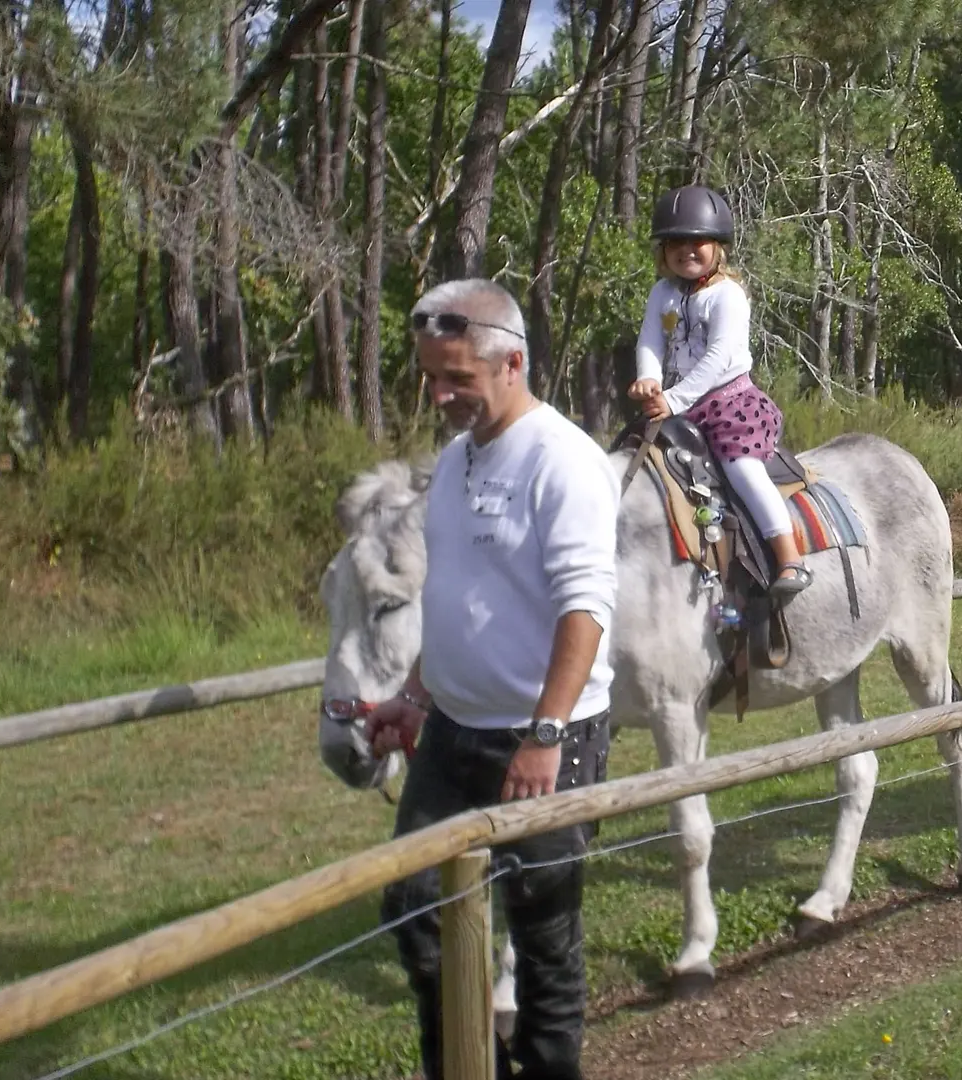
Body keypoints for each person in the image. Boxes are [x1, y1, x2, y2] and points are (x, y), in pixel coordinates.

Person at [365, 278, 620, 1080]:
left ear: (512, 363)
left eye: (458, 381)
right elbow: (454, 595)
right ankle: (468, 1067)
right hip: (449, 734)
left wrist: (545, 734)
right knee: (413, 910)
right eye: (431, 378)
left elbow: (586, 609)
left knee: (543, 934)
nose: (440, 395)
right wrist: (414, 692)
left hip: (546, 737)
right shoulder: (452, 460)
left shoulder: (564, 461)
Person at [626, 184, 810, 597]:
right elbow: (650, 341)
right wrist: (649, 377)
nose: (686, 250)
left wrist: (671, 398)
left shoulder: (727, 296)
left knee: (741, 469)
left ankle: (789, 558)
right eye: (676, 242)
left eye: (697, 242)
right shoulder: (663, 293)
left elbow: (719, 358)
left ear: (717, 247)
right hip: (677, 405)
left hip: (732, 406)